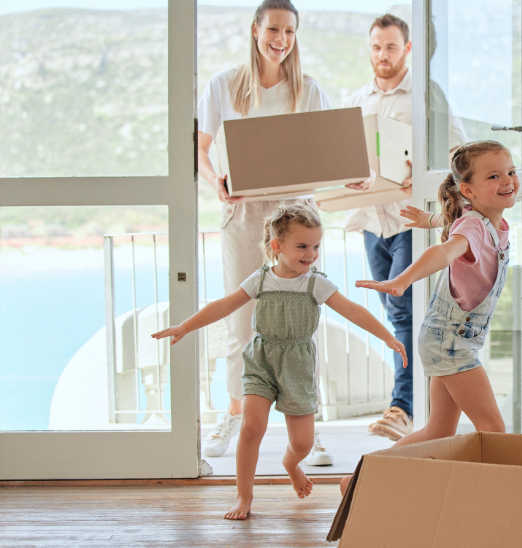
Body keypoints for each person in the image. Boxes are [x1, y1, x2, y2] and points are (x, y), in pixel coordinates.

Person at [153, 203, 407, 520]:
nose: (310, 253)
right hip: (262, 359)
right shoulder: (260, 280)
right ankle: (244, 497)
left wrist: (387, 336)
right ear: (277, 246)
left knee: (301, 443)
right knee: (251, 427)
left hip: (298, 365)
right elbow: (222, 306)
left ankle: (291, 464)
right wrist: (185, 326)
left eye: (315, 246)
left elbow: (353, 310)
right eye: (302, 246)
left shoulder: (316, 283)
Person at [196, 0, 333, 464]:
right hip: (246, 214)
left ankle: (309, 430)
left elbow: (331, 151)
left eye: (290, 31)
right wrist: (214, 180)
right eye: (274, 29)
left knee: (302, 320)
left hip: (297, 215)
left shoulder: (308, 90)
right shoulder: (223, 86)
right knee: (240, 320)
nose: (282, 39)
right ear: (255, 30)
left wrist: (352, 172)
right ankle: (234, 414)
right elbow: (201, 147)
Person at [343, 141, 515, 495]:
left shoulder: (488, 221)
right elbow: (447, 248)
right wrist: (402, 279)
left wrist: (430, 220)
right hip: (450, 342)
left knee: (438, 431)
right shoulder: (475, 228)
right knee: (493, 429)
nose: (507, 180)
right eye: (494, 176)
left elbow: (452, 222)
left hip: (446, 339)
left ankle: (359, 480)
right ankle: (499, 500)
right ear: (467, 190)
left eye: (510, 172)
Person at [341, 14, 467, 442]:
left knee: (405, 311)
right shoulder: (357, 99)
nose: (383, 55)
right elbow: (350, 161)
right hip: (371, 221)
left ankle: (402, 408)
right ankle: (411, 409)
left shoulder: (426, 95)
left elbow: (458, 152)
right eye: (376, 47)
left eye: (391, 47)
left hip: (409, 220)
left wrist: (426, 173)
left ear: (407, 49)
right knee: (396, 313)